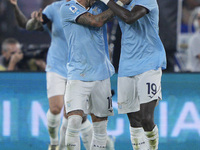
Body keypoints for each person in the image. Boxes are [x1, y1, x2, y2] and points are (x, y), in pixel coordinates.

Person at [9, 0, 115, 150]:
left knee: (77, 116)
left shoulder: (97, 6)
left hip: (86, 68)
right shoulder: (57, 8)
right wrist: (28, 16)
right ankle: (54, 142)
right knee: (56, 108)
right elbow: (30, 26)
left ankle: (69, 145)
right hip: (59, 65)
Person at [98, 0, 167, 149]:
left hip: (150, 62)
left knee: (146, 119)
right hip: (127, 66)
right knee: (134, 121)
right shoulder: (119, 3)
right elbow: (99, 18)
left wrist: (108, 1)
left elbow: (129, 18)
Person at [60, 0, 121, 149]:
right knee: (74, 120)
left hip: (102, 74)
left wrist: (116, 4)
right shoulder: (68, 8)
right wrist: (115, 5)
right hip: (77, 74)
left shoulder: (100, 7)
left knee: (100, 125)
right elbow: (96, 21)